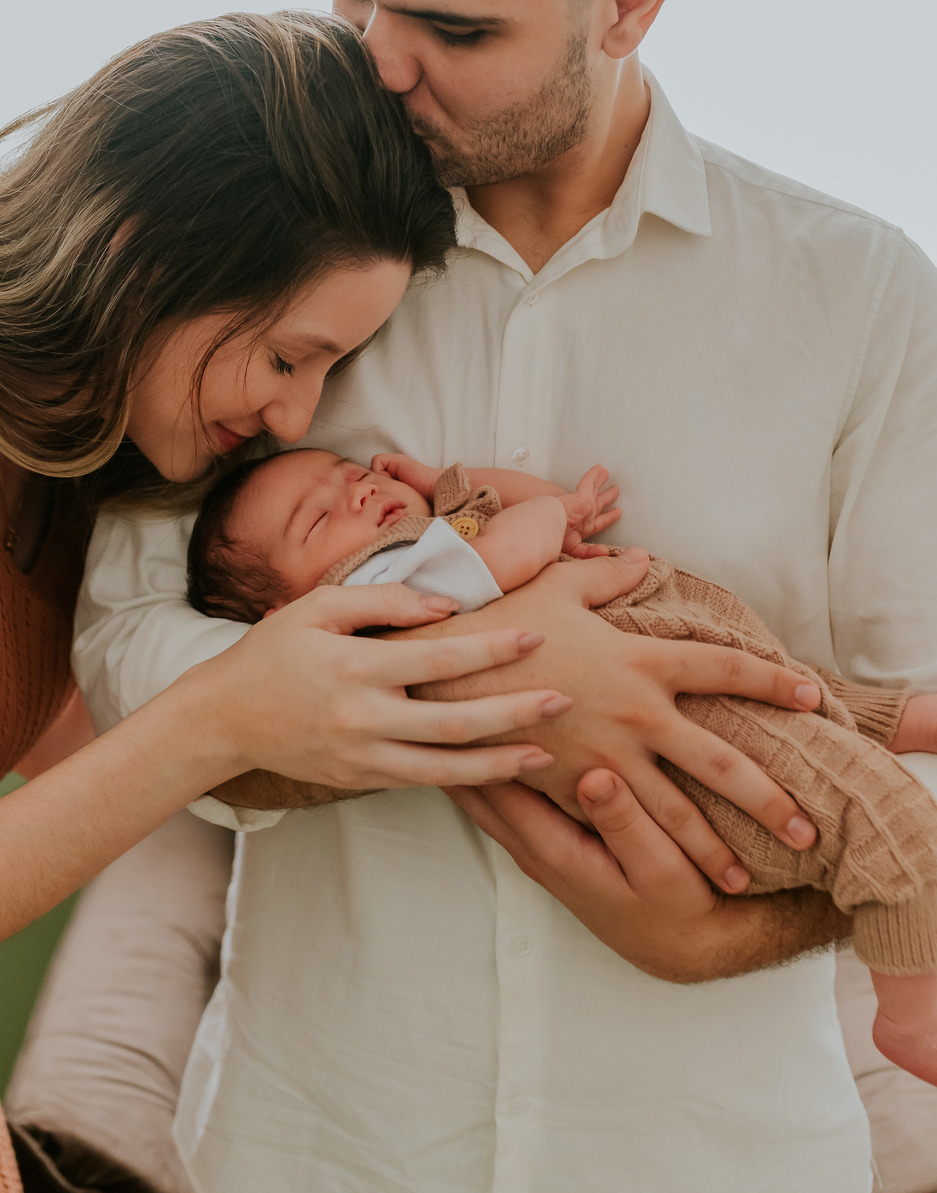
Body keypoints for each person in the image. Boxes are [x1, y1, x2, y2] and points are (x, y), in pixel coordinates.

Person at [73, 0, 937, 1193]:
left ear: (631, 1)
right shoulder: (245, 256)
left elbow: (919, 735)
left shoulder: (864, 297)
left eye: (453, 26)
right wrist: (477, 660)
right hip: (311, 1181)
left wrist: (717, 938)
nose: (375, 61)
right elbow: (126, 645)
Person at [0, 11, 586, 1193]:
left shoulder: (89, 466)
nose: (299, 414)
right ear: (144, 254)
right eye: (291, 355)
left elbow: (99, 766)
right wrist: (225, 712)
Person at [190, 446, 937, 1082]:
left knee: (801, 700)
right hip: (685, 731)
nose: (354, 491)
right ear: (280, 612)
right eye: (318, 518)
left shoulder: (432, 546)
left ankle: (892, 719)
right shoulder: (372, 596)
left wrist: (457, 486)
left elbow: (533, 523)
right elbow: (517, 548)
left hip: (690, 655)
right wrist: (538, 514)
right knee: (884, 818)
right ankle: (908, 1010)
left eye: (350, 469)